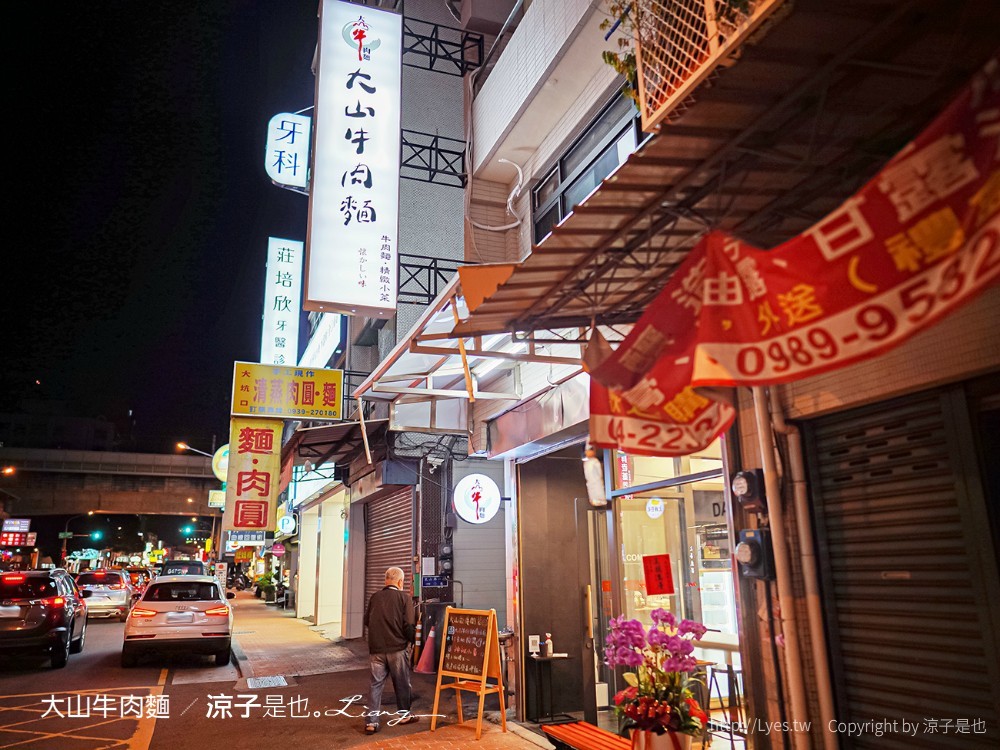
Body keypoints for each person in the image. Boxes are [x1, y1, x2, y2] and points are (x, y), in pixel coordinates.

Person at [363, 566, 418, 734]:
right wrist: (413, 641)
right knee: (402, 683)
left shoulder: (375, 597)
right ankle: (404, 715)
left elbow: (367, 621)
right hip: (397, 649)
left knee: (375, 685)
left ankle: (371, 722)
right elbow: (409, 625)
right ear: (400, 582)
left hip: (376, 649)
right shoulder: (404, 598)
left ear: (386, 580)